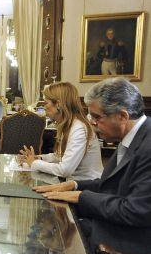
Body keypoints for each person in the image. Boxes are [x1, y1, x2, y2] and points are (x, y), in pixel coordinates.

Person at [34, 77, 151, 227]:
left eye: (96, 117)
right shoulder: (132, 137)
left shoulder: (147, 146)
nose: (91, 122)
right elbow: (110, 185)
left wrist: (81, 197)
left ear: (122, 116)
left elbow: (136, 211)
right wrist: (74, 185)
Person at [19, 82, 103, 180]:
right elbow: (60, 156)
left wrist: (34, 163)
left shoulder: (79, 129)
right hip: (74, 185)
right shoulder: (71, 125)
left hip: (88, 188)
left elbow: (64, 170)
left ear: (58, 104)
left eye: (46, 103)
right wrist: (39, 158)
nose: (44, 107)